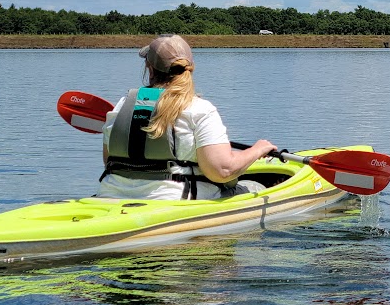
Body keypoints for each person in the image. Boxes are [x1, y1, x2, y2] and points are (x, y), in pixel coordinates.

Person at [97, 34, 276, 201]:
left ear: (150, 70)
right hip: (175, 200)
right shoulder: (199, 109)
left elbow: (109, 161)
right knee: (256, 186)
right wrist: (258, 149)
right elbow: (222, 171)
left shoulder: (122, 105)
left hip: (110, 196)